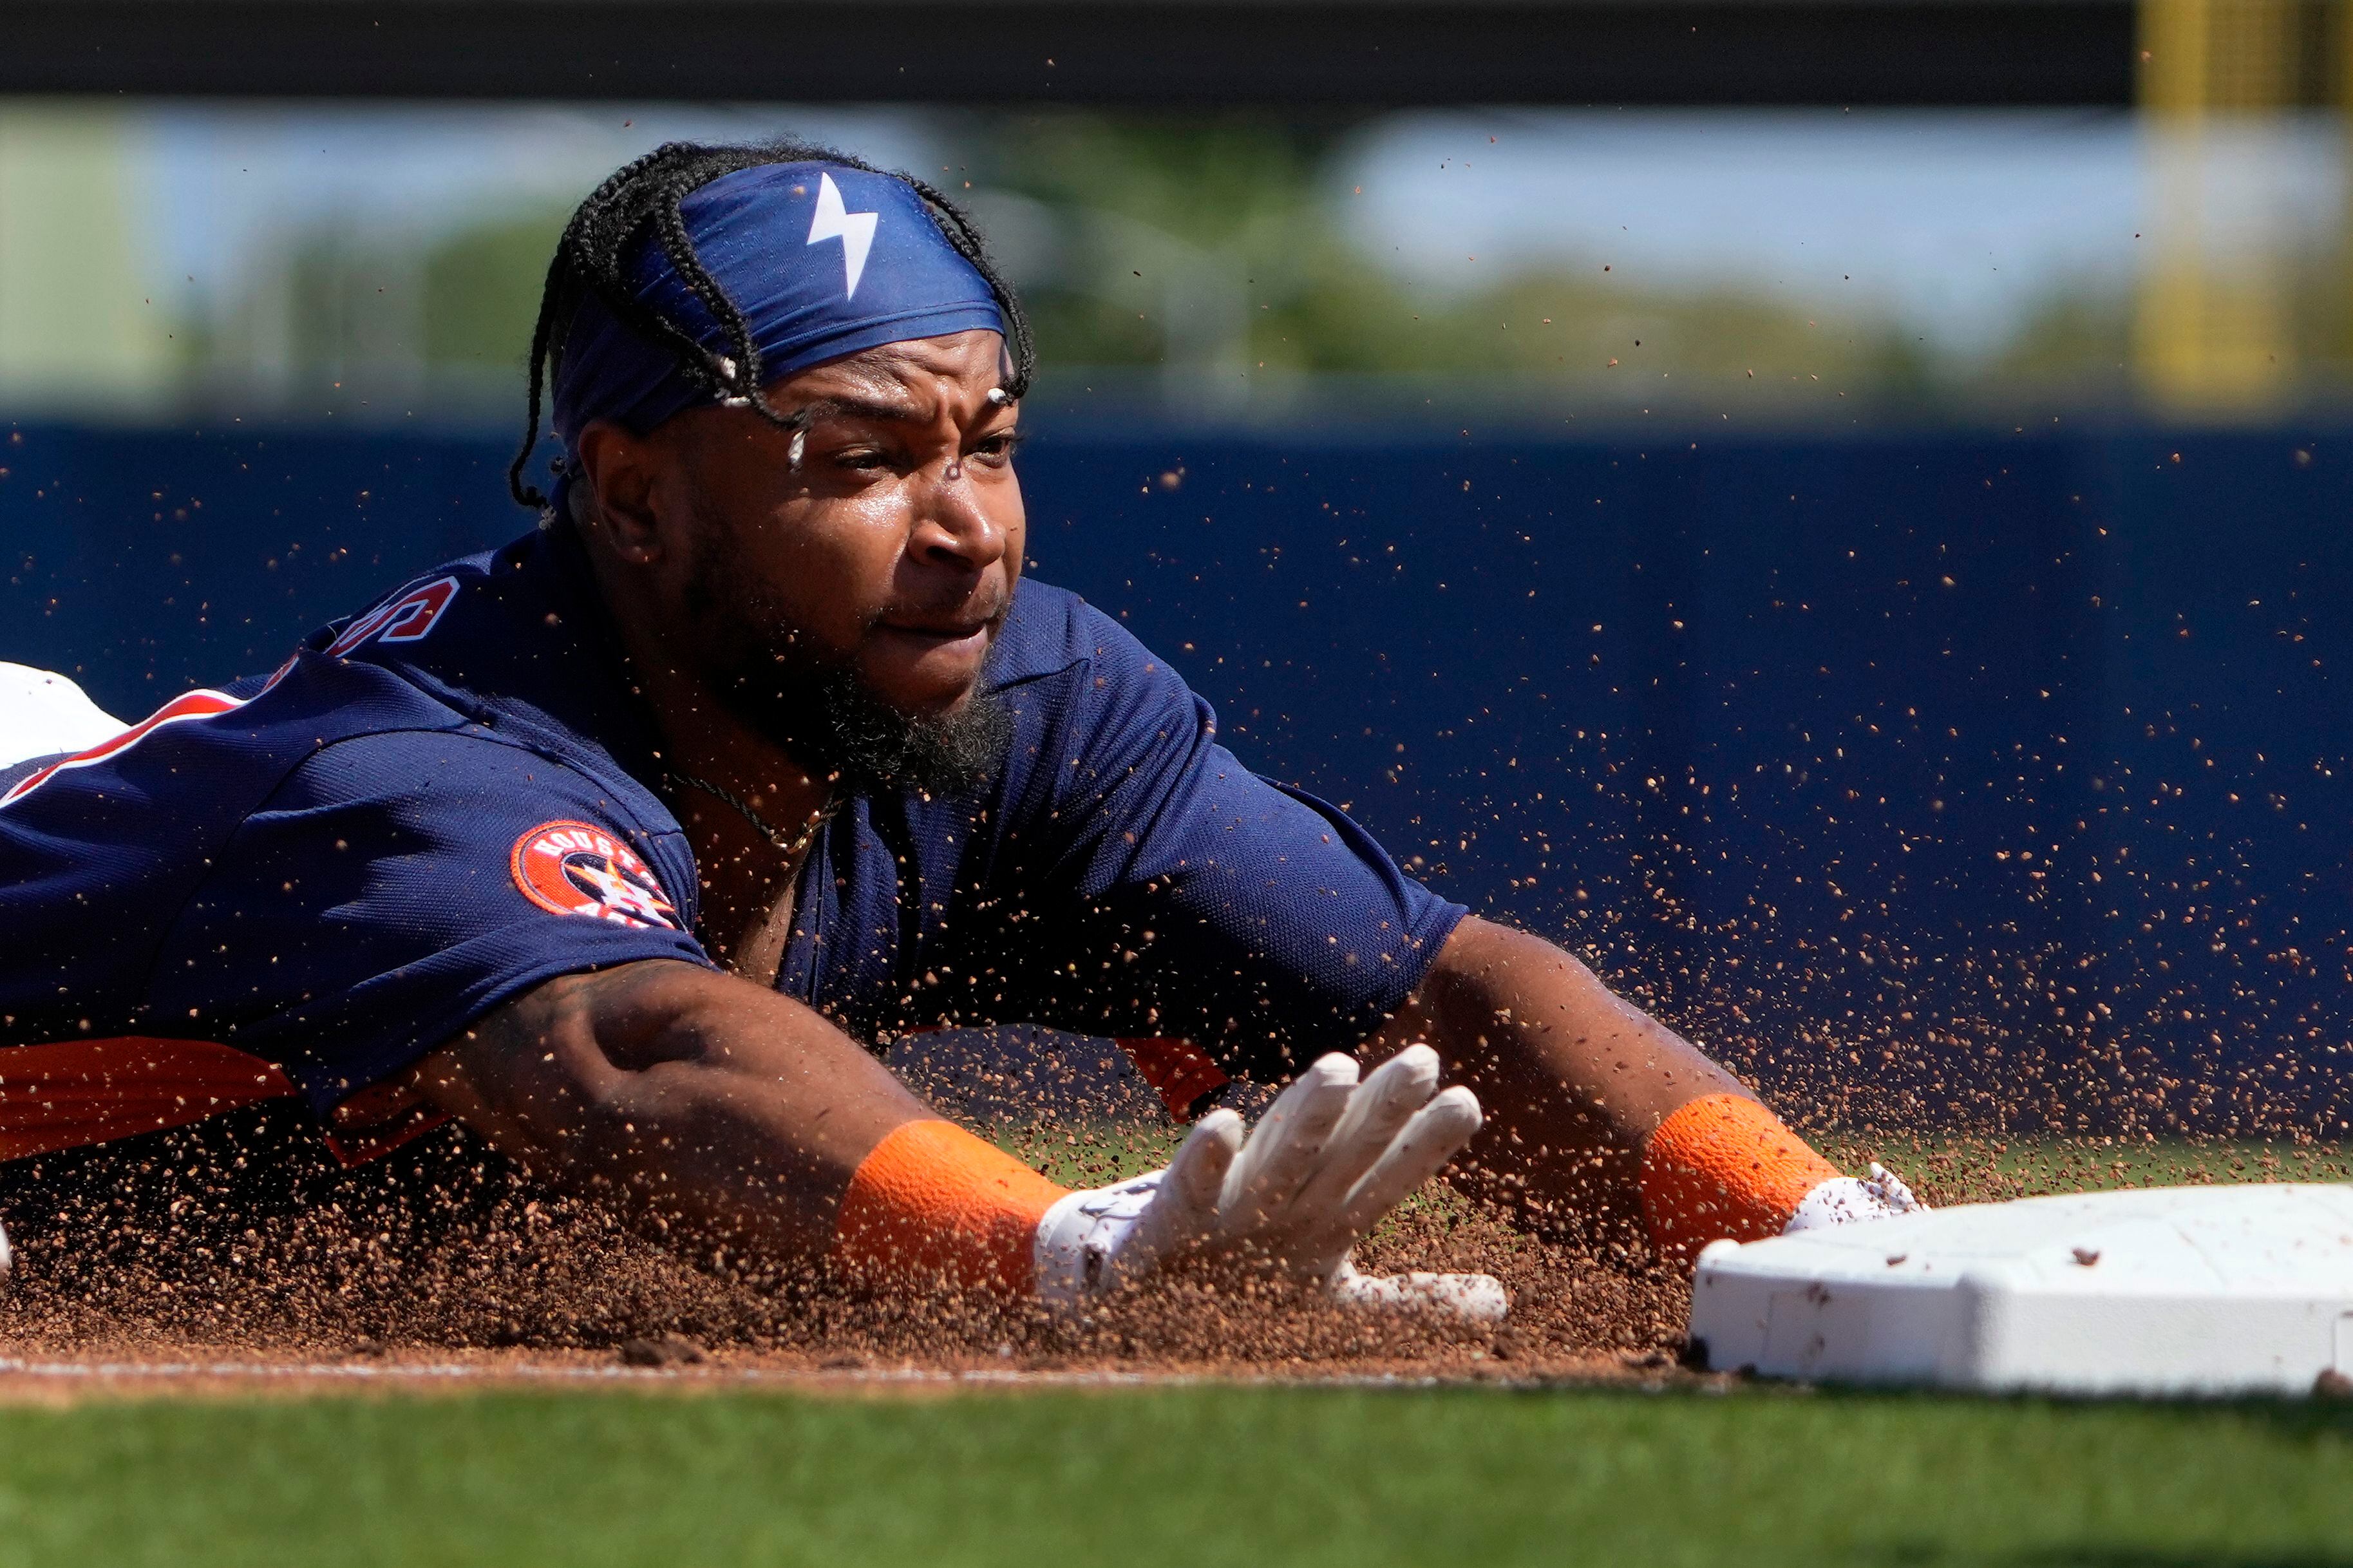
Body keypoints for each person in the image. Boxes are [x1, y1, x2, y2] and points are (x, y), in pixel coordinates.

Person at [0, 141, 1916, 1318]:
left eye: (987, 442)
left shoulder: (1029, 707)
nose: (969, 525)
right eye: (866, 458)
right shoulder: (435, 766)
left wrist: (1818, 1228)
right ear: (638, 498)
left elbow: (1433, 991)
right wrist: (1066, 1256)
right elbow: (637, 1049)